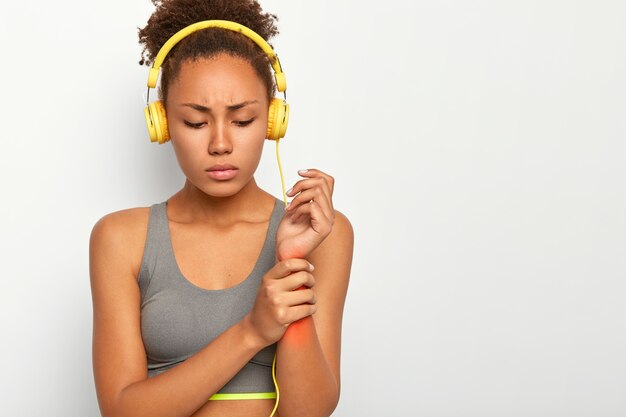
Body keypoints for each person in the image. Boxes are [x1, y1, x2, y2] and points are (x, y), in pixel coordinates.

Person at [88, 1, 354, 416]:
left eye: (243, 120)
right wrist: (252, 330)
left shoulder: (322, 232)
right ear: (161, 124)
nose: (220, 144)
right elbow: (123, 411)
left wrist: (292, 260)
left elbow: (309, 412)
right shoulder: (121, 239)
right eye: (195, 122)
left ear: (273, 119)